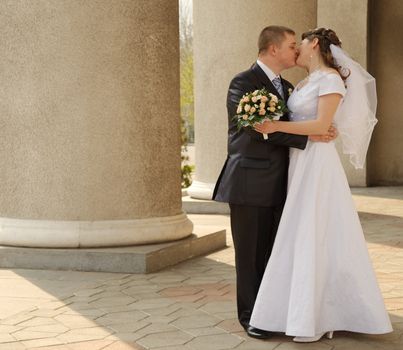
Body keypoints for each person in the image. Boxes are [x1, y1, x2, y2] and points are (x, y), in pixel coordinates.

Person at [250, 27, 393, 342]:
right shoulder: (303, 83)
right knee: (299, 231)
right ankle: (296, 311)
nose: (296, 48)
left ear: (313, 43)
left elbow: (320, 125)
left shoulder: (330, 79)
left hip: (317, 163)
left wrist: (274, 125)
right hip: (298, 161)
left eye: (299, 42)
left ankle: (319, 314)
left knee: (312, 231)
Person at [212, 26, 336, 339]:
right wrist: (311, 136)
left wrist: (318, 129)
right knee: (250, 255)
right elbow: (255, 129)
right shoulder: (242, 82)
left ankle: (272, 311)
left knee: (274, 253)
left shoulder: (290, 87)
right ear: (273, 49)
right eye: (292, 45)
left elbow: (291, 124)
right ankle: (250, 317)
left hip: (285, 183)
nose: (296, 51)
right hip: (249, 182)